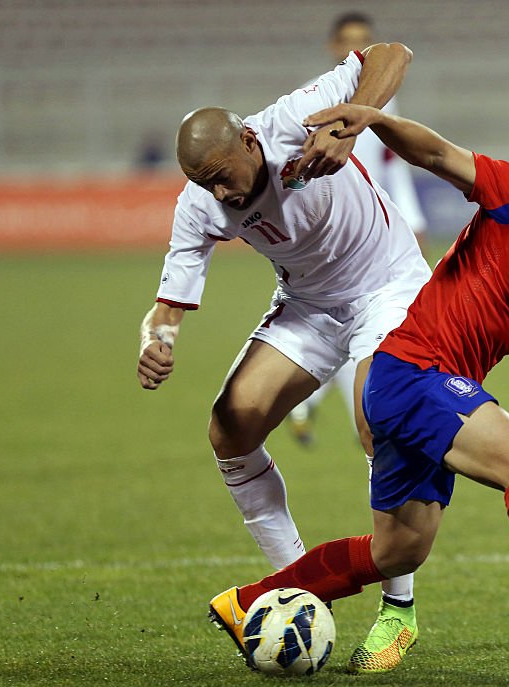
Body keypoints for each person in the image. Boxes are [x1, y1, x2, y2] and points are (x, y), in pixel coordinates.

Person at [211, 104, 509, 665]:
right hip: (413, 371)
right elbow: (439, 154)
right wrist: (370, 117)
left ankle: (246, 602)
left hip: (426, 388)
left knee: (398, 550)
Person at [135, 43, 429, 673]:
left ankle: (398, 612)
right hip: (310, 304)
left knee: (380, 420)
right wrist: (156, 342)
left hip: (387, 285)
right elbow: (169, 304)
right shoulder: (203, 205)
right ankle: (293, 586)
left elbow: (391, 53)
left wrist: (349, 121)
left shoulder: (292, 119)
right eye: (203, 182)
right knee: (231, 427)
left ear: (248, 139)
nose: (220, 189)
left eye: (224, 172)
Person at [288, 11, 429, 449]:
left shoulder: (383, 101)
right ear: (336, 48)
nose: (358, 48)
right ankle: (367, 429)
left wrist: (413, 220)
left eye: (365, 40)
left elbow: (393, 170)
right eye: (349, 41)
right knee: (364, 328)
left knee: (359, 328)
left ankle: (311, 406)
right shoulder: (315, 101)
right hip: (336, 234)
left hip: (379, 231)